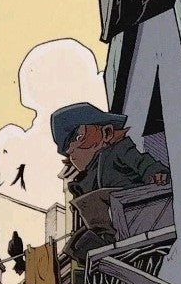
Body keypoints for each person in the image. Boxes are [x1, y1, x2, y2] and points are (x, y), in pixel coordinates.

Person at [49, 102, 169, 265]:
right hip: (114, 221)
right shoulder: (85, 179)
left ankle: (109, 242)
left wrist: (155, 172)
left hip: (134, 206)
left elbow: (142, 162)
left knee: (93, 200)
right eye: (68, 151)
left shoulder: (119, 150)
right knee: (76, 244)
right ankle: (102, 257)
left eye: (78, 138)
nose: (72, 151)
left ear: (106, 132)